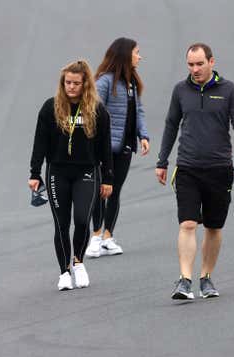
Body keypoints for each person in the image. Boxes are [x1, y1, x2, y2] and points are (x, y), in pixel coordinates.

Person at [156, 43, 234, 300]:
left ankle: (206, 278)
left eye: (200, 64)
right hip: (187, 167)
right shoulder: (180, 90)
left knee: (213, 226)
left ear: (211, 62)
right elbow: (170, 125)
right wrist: (162, 161)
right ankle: (185, 280)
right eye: (190, 64)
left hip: (219, 169)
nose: (195, 69)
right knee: (187, 223)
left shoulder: (228, 90)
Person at [29, 60, 114, 291]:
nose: (71, 87)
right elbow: (39, 142)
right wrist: (35, 173)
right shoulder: (50, 108)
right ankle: (64, 271)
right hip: (57, 172)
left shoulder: (97, 110)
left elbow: (105, 147)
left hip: (86, 171)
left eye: (76, 83)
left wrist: (108, 178)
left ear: (85, 84)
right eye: (67, 82)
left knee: (82, 220)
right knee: (61, 224)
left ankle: (78, 262)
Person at [86, 37, 150, 258]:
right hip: (105, 149)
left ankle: (107, 237)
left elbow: (138, 110)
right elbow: (94, 113)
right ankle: (94, 237)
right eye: (137, 52)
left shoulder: (131, 82)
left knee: (115, 191)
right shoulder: (104, 81)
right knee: (100, 191)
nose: (140, 57)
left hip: (125, 147)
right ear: (125, 54)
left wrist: (143, 135)